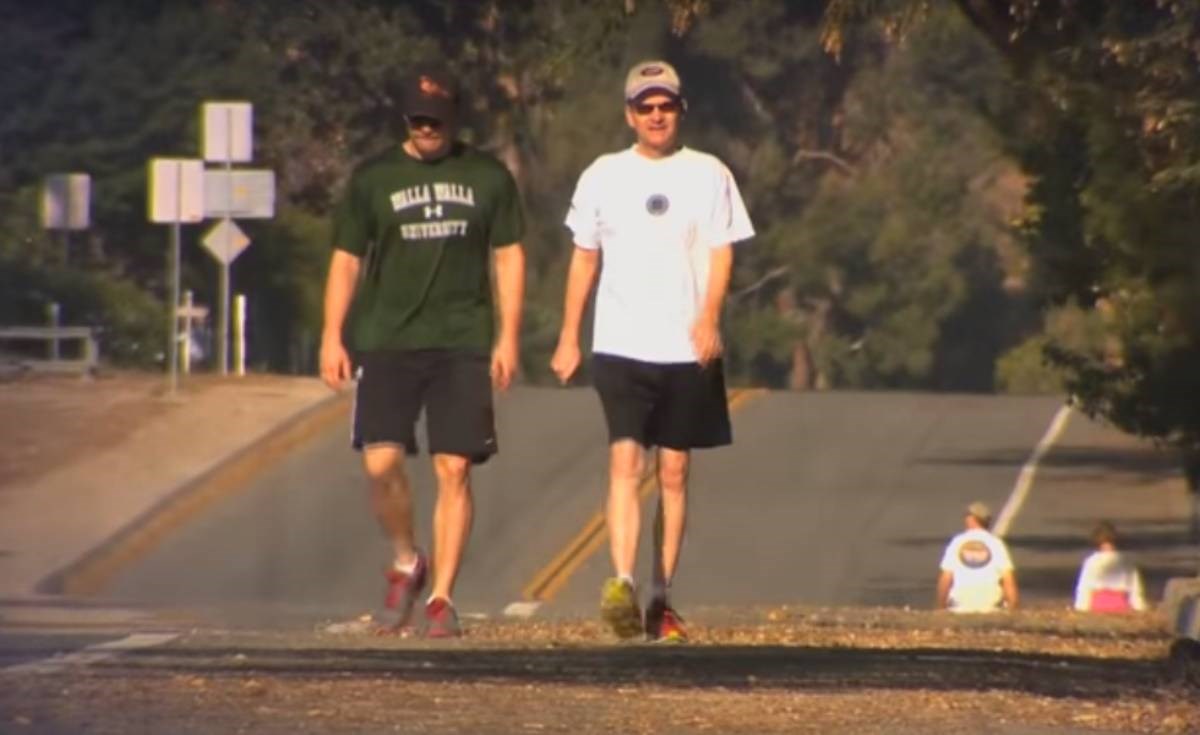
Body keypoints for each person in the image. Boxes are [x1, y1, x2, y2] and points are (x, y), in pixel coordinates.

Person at [550, 60, 755, 642]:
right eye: (646, 106)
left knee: (674, 467)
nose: (656, 115)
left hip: (686, 344)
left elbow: (722, 252)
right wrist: (569, 334)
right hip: (620, 342)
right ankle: (621, 582)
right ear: (630, 115)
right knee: (624, 460)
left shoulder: (708, 173)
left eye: (665, 105)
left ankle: (661, 596)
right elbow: (584, 256)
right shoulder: (602, 175)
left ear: (680, 111)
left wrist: (710, 317)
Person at [319, 65, 526, 638]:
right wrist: (331, 333)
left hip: (461, 339)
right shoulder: (373, 178)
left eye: (436, 119)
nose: (426, 128)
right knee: (381, 464)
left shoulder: (487, 177)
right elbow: (346, 259)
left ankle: (440, 598)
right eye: (417, 119)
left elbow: (509, 255)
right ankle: (408, 559)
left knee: (454, 467)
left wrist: (508, 335)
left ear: (455, 118)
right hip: (386, 339)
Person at [936, 501, 1019, 613]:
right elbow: (1008, 580)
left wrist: (941, 608)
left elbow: (946, 578)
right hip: (990, 608)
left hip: (960, 607)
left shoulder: (957, 542)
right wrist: (1012, 609)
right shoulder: (996, 544)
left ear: (970, 519)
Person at [1073, 521, 1147, 613]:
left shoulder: (1091, 561)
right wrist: (1140, 607)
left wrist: (1081, 608)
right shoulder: (1126, 561)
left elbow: (1084, 589)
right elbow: (1135, 588)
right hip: (1120, 603)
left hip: (1097, 604)